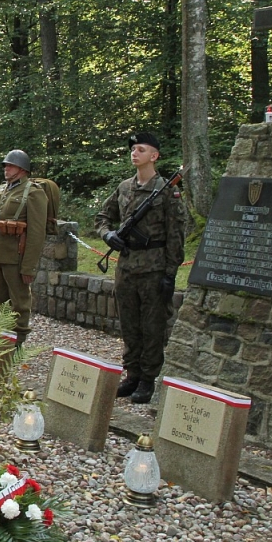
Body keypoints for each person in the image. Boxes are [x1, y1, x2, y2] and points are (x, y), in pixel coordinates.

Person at [95, 132, 184, 405]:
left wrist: (170, 273)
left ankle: (148, 379)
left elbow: (176, 234)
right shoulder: (124, 187)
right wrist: (107, 234)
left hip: (153, 268)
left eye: (141, 149)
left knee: (152, 326)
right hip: (126, 267)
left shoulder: (168, 190)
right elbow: (102, 216)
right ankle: (132, 373)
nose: (135, 153)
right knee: (130, 324)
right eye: (133, 149)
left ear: (154, 156)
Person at [0, 149, 47, 345]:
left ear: (22, 168)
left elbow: (37, 232)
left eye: (10, 165)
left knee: (19, 303)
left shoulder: (33, 192)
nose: (6, 168)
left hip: (17, 256)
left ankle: (18, 342)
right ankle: (4, 338)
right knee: (1, 300)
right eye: (5, 165)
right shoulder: (1, 190)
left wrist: (28, 266)